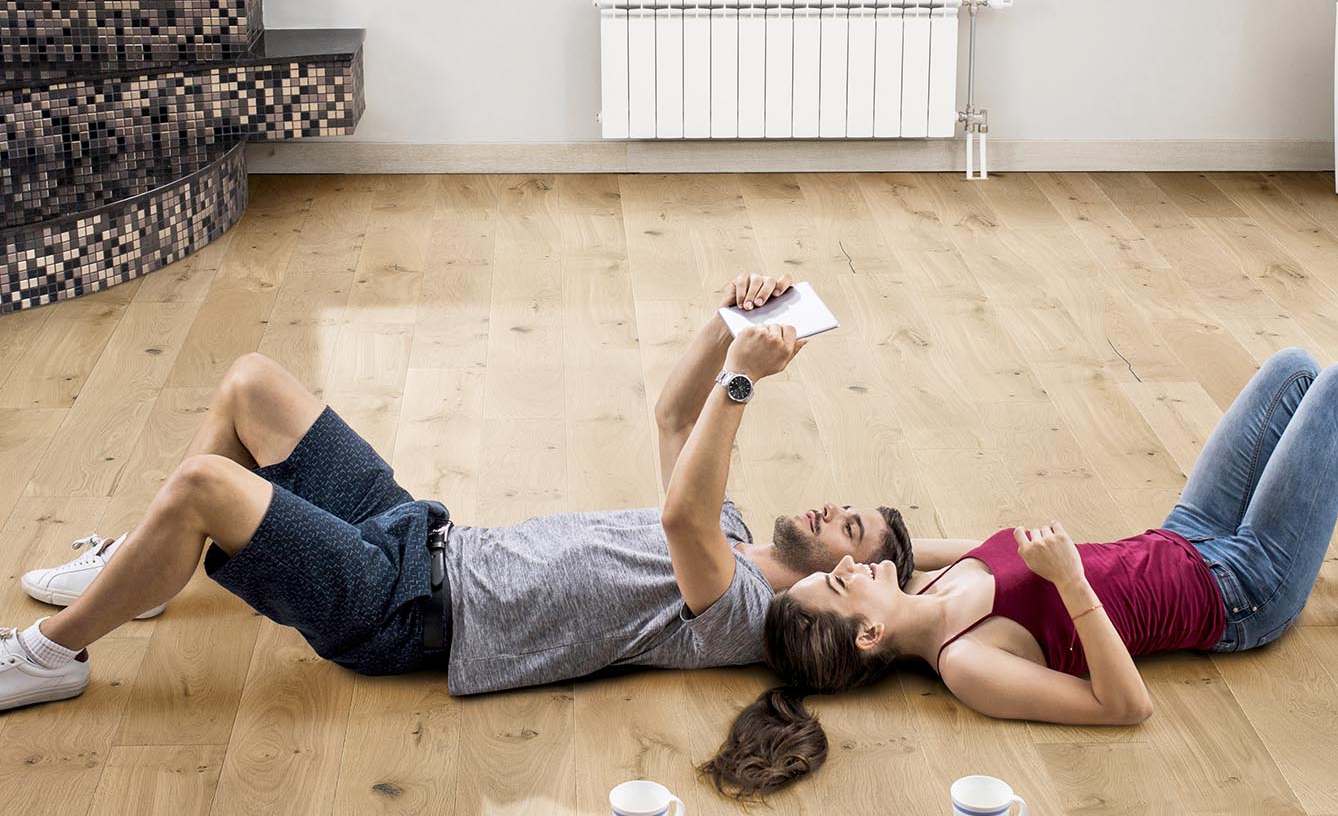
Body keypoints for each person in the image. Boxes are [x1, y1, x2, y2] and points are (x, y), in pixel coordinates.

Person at [1, 270, 913, 711]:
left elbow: (679, 511)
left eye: (853, 531)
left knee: (206, 484)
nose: (834, 509)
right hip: (420, 537)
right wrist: (730, 327)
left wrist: (747, 383)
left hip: (404, 611)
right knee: (250, 384)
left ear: (849, 582)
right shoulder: (737, 532)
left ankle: (54, 654)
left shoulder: (739, 614)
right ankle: (139, 568)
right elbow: (676, 420)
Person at [705, 348, 1338, 796]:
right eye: (838, 583)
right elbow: (1124, 708)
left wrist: (765, 562)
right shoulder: (968, 665)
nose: (850, 564)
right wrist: (1070, 583)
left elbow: (916, 543)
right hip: (1241, 589)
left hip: (1183, 534)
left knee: (1294, 370)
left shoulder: (921, 587)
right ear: (868, 634)